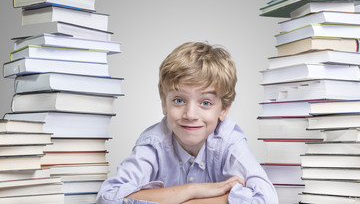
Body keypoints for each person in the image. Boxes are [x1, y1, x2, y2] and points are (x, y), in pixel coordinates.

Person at [96, 42, 278, 204]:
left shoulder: (228, 140)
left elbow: (266, 198)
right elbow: (107, 198)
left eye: (205, 103)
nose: (190, 115)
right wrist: (195, 190)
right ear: (163, 104)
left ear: (224, 109)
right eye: (179, 100)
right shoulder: (154, 142)